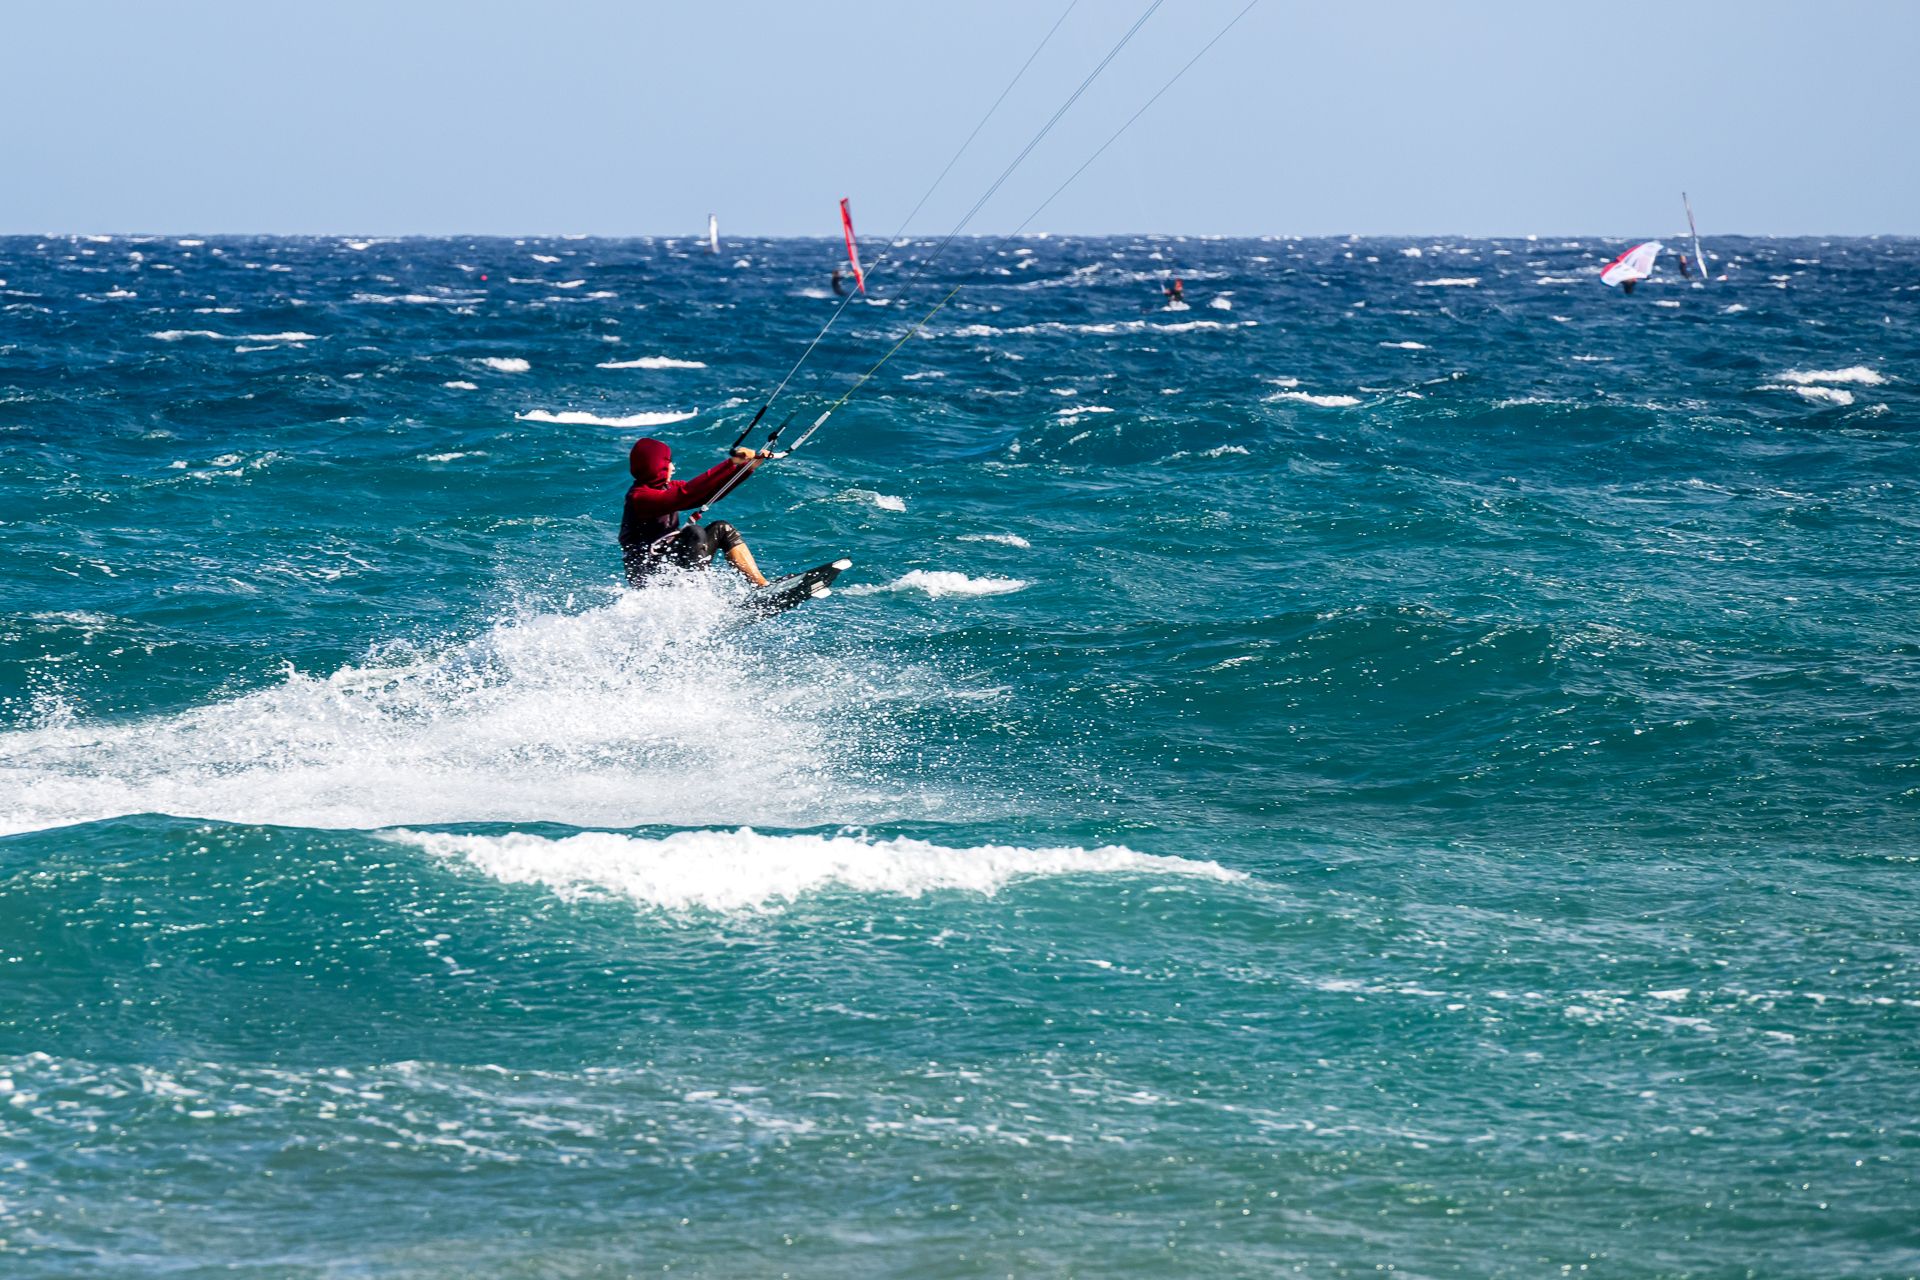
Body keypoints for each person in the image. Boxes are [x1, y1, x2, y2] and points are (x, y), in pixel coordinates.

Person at [620, 436, 771, 587]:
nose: (673, 467)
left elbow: (709, 494)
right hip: (650, 576)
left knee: (722, 528)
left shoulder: (666, 488)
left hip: (672, 562)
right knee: (694, 533)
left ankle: (762, 586)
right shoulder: (639, 497)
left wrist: (746, 468)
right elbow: (686, 494)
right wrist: (730, 463)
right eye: (668, 463)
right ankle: (696, 597)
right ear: (655, 465)